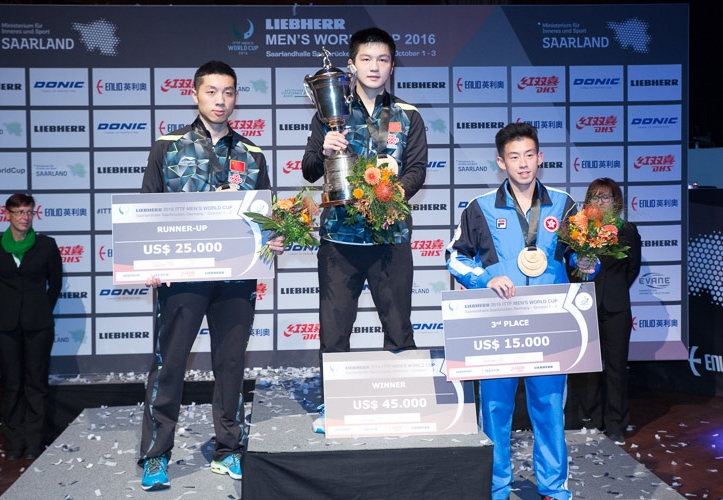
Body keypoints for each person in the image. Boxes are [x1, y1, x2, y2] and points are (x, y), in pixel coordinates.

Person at [138, 60, 283, 491]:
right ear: (195, 93)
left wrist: (274, 240)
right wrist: (149, 261)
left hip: (237, 278)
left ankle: (228, 449)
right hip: (182, 277)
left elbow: (266, 218)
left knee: (231, 364)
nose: (221, 100)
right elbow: (147, 210)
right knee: (170, 365)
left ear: (236, 97)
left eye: (229, 92)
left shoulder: (252, 155)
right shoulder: (168, 147)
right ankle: (155, 456)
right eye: (212, 91)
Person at [446, 123, 594, 500]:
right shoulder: (479, 207)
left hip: (550, 323)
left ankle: (553, 487)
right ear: (501, 162)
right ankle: (495, 487)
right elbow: (455, 257)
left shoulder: (564, 204)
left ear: (540, 157)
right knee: (495, 410)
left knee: (548, 408)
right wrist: (483, 279)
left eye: (530, 155)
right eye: (514, 157)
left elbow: (576, 254)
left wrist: (586, 261)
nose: (523, 163)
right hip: (497, 323)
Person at [302, 27, 427, 432]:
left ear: (392, 65)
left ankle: (405, 403)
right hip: (340, 239)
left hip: (390, 238)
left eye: (384, 60)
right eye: (367, 59)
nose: (375, 67)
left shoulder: (408, 116)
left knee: (398, 326)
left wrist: (390, 194)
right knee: (335, 331)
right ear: (352, 64)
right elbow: (308, 171)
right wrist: (324, 151)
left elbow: (417, 170)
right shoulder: (329, 111)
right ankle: (334, 406)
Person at [0, 193, 63, 461]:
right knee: (12, 385)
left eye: (29, 212)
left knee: (36, 384)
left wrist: (39, 311)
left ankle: (34, 444)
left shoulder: (47, 245)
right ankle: (14, 445)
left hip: (39, 326)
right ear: (7, 215)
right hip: (4, 327)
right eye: (19, 212)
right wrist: (4, 312)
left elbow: (56, 285)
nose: (25, 217)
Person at [567, 178, 641, 446]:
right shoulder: (579, 229)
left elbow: (633, 268)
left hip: (616, 309)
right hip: (585, 307)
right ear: (588, 201)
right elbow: (569, 267)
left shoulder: (627, 230)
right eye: (596, 197)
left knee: (616, 367)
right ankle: (589, 420)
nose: (601, 202)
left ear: (616, 201)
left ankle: (615, 423)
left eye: (606, 197)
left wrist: (615, 290)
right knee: (587, 367)